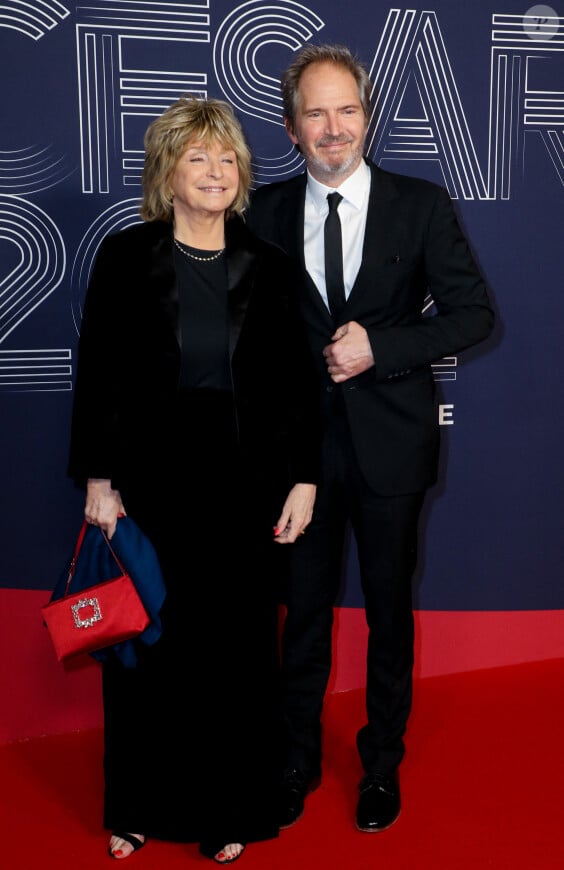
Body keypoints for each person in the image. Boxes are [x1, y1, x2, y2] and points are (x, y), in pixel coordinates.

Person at [247, 43, 495, 834]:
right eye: (315, 113)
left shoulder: (419, 204)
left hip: (392, 448)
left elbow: (473, 313)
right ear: (291, 128)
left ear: (367, 115)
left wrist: (380, 347)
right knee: (303, 615)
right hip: (297, 459)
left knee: (390, 612)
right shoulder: (263, 213)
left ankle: (381, 764)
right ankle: (295, 761)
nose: (333, 128)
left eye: (346, 110)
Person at [67, 95, 320, 863]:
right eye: (198, 157)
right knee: (150, 649)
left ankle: (226, 807)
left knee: (237, 655)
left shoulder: (270, 265)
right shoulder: (124, 256)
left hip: (245, 487)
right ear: (169, 172)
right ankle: (139, 804)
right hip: (151, 483)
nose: (216, 170)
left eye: (227, 157)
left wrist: (304, 481)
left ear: (242, 172)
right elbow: (99, 374)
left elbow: (299, 385)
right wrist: (99, 479)